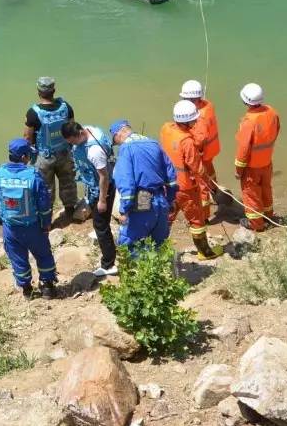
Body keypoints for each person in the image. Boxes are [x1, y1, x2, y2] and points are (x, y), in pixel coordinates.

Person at [0, 138, 57, 299]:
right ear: (24, 157)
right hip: (33, 227)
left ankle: (27, 290)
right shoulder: (34, 175)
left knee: (17, 258)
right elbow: (44, 204)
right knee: (43, 254)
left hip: (10, 228)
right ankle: (48, 288)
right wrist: (46, 223)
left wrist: (0, 219)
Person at [159, 101, 222, 259]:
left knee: (168, 217)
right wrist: (208, 183)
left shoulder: (166, 129)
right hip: (186, 188)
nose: (195, 122)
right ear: (187, 122)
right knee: (196, 220)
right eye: (193, 120)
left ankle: (158, 249)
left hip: (168, 185)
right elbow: (197, 168)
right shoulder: (186, 142)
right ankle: (205, 252)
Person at [109, 120, 176, 252]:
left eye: (116, 141)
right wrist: (170, 199)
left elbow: (126, 183)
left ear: (119, 134)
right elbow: (171, 176)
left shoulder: (126, 148)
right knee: (159, 244)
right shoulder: (154, 143)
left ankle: (136, 272)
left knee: (131, 244)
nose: (118, 144)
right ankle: (160, 271)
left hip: (142, 199)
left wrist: (124, 210)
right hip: (160, 198)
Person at [63, 121, 116, 276]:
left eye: (72, 142)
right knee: (100, 222)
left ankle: (109, 264)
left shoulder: (94, 151)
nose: (72, 145)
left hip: (103, 189)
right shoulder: (91, 128)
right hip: (94, 186)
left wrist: (102, 200)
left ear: (79, 134)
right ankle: (108, 250)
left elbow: (104, 177)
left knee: (101, 225)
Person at [23, 76, 79, 224]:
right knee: (68, 183)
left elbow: (27, 138)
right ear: (54, 90)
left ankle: (46, 221)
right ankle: (70, 213)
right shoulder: (66, 107)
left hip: (44, 157)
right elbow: (73, 129)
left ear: (38, 92)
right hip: (65, 153)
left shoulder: (33, 113)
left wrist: (27, 157)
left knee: (45, 190)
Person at [234, 84, 281, 232]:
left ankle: (256, 224)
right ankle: (269, 216)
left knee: (251, 194)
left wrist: (239, 170)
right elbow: (277, 130)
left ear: (245, 101)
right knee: (266, 189)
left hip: (251, 167)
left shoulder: (249, 121)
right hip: (266, 162)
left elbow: (243, 149)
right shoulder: (272, 112)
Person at [180, 79, 224, 214]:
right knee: (210, 170)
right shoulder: (207, 105)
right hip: (211, 149)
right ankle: (215, 190)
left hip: (203, 152)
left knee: (201, 182)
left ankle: (204, 214)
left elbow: (199, 140)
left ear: (193, 99)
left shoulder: (200, 117)